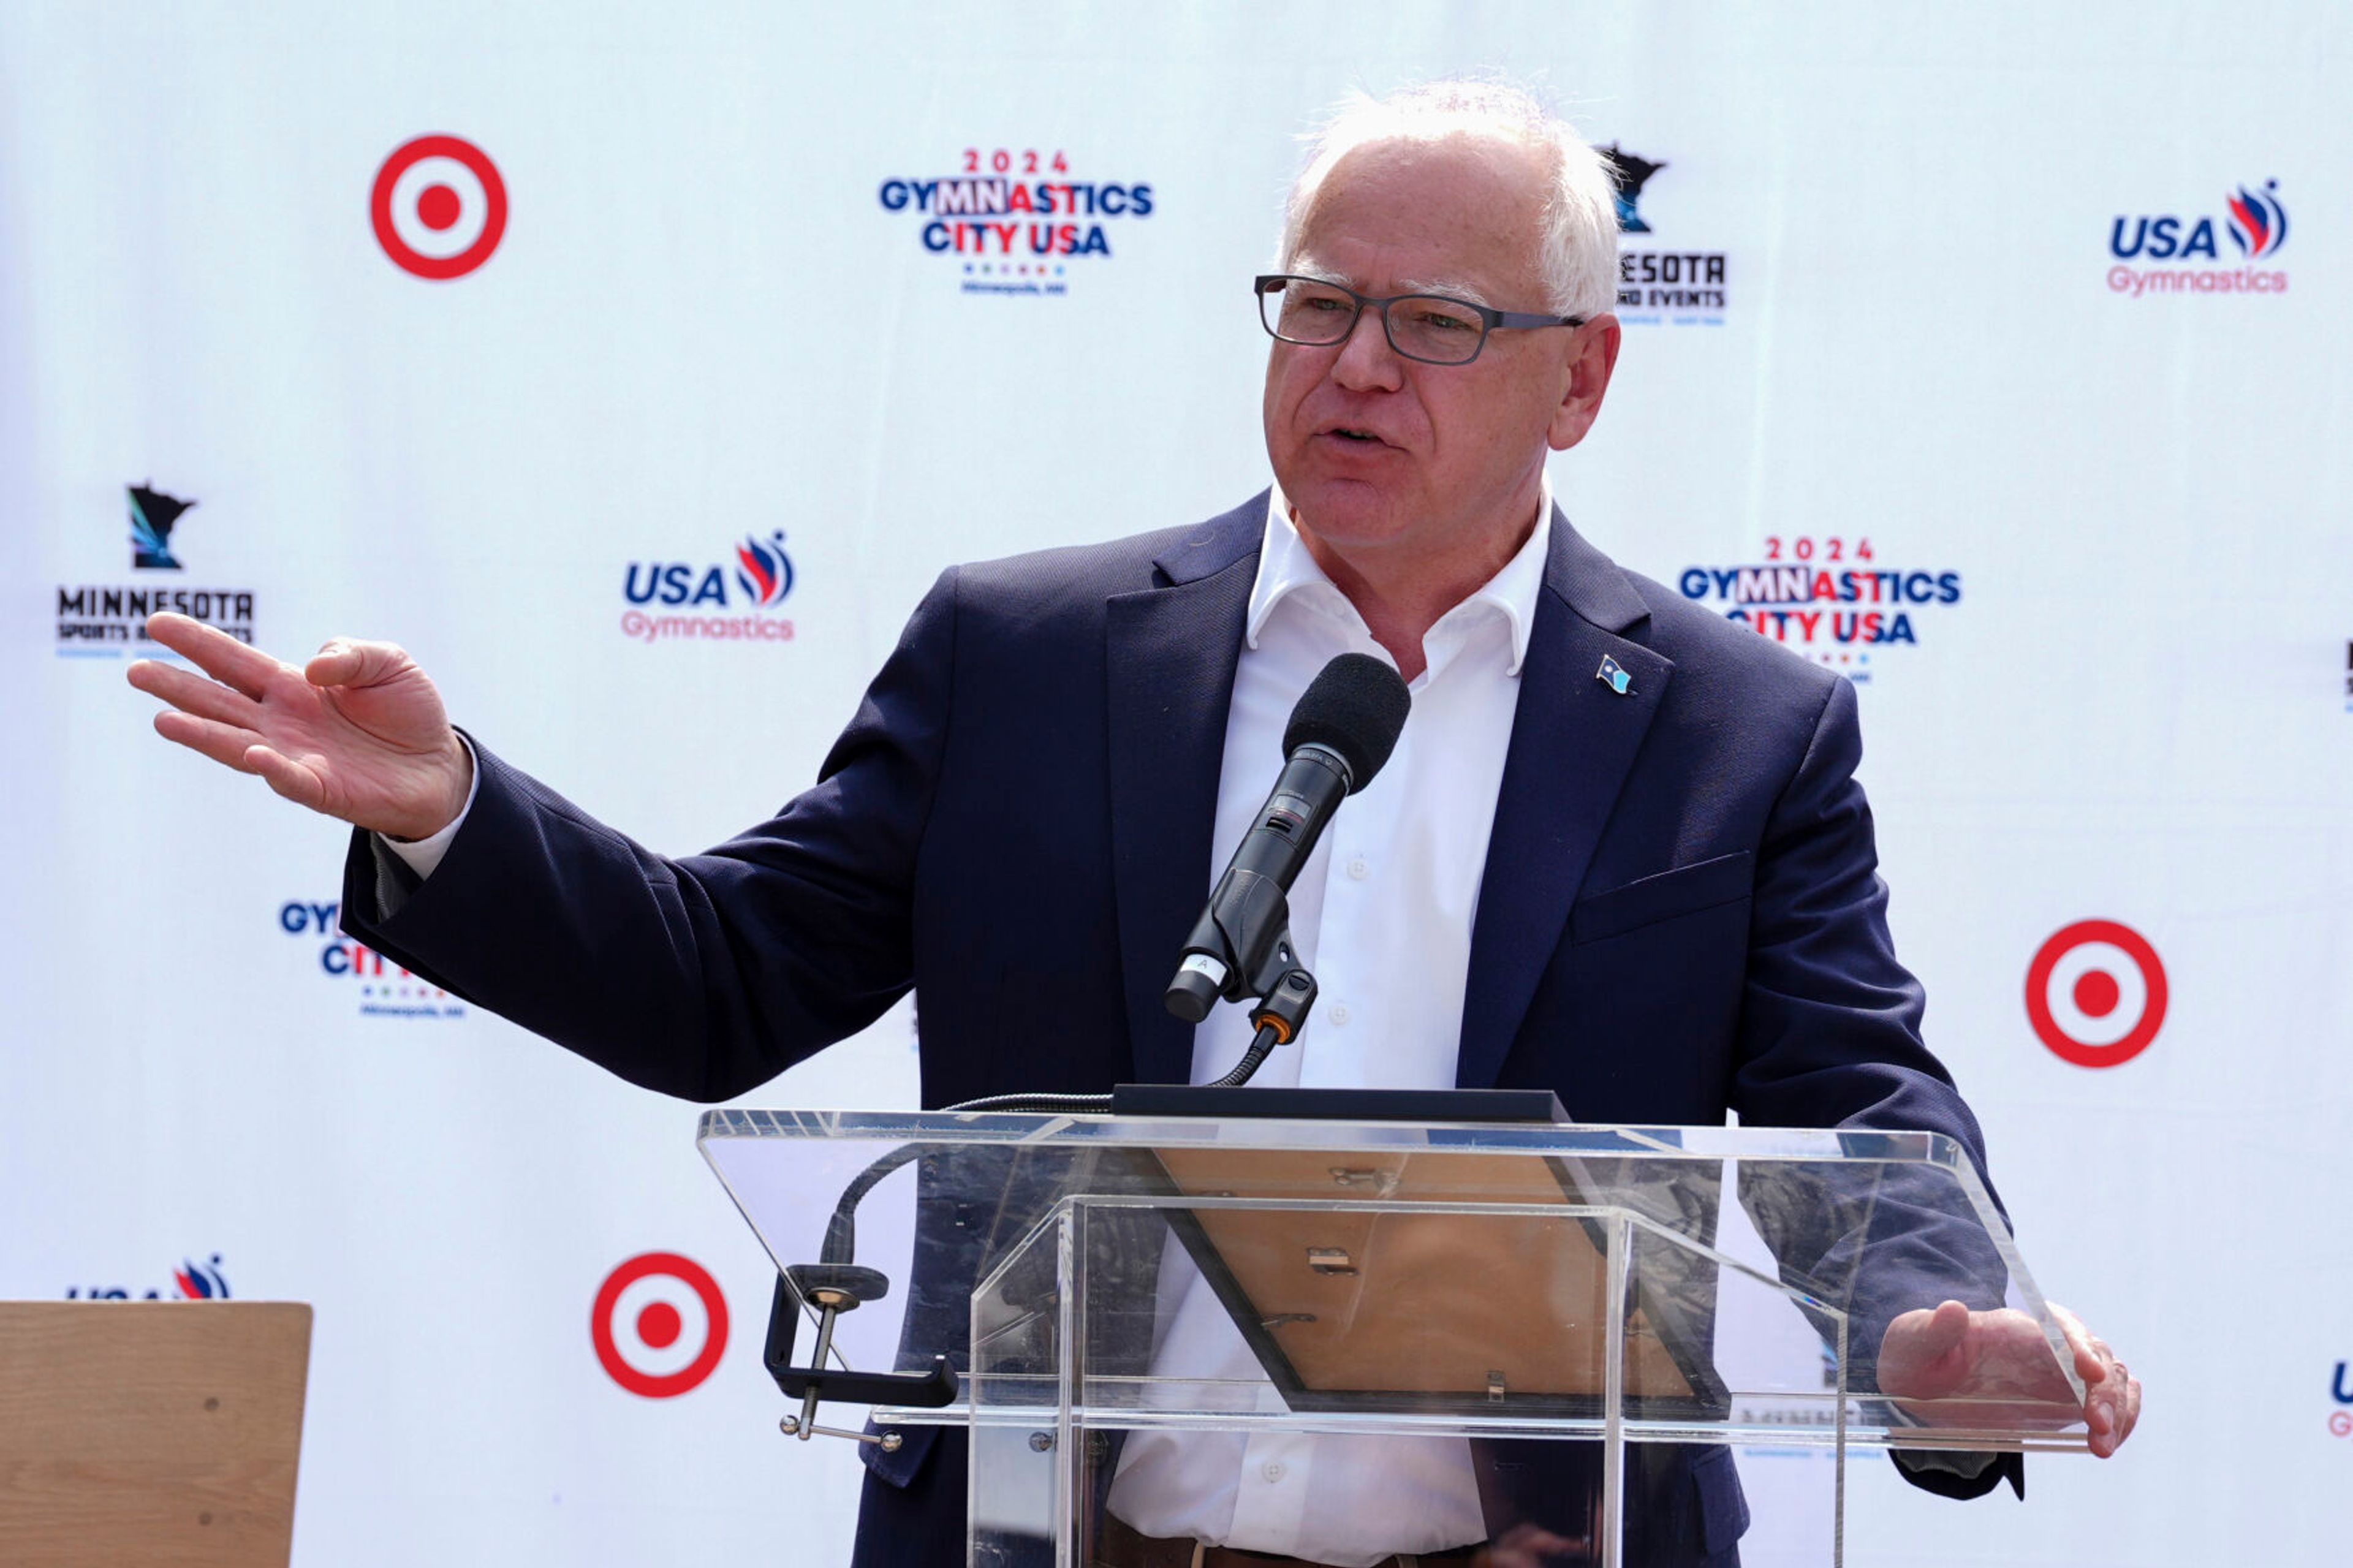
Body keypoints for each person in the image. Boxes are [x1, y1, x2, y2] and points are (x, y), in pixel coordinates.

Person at [130, 79, 2136, 1568]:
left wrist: (1936, 1339)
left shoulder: (1737, 729)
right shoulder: (1027, 653)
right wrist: (451, 817)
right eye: (1317, 304)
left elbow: (1854, 1107)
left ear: (1582, 379)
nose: (1356, 365)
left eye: (1436, 324)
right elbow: (722, 984)